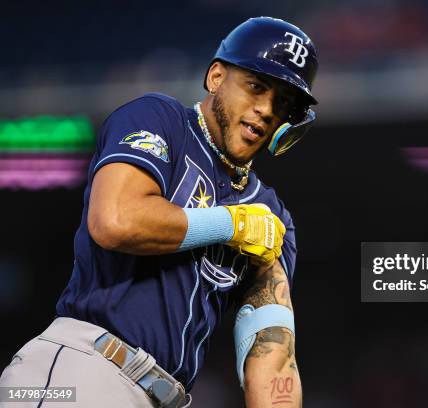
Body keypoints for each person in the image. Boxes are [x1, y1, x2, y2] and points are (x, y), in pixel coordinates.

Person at [0, 16, 318, 408]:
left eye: (284, 102)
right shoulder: (159, 119)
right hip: (86, 370)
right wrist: (229, 224)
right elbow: (114, 221)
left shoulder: (271, 216)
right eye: (256, 86)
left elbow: (271, 352)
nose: (267, 109)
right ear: (216, 76)